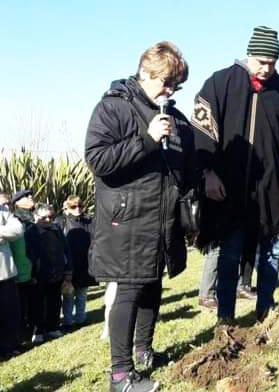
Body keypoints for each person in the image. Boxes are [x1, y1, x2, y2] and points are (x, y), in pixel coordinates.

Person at [85, 41, 194, 392]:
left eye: (176, 86)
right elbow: (98, 161)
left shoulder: (173, 116)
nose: (170, 91)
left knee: (152, 284)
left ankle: (145, 353)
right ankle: (120, 375)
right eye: (165, 83)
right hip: (128, 218)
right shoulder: (113, 108)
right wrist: (146, 140)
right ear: (145, 73)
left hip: (161, 217)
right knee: (130, 289)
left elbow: (181, 164)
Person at [191, 26, 279, 323]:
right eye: (261, 61)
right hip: (228, 189)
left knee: (271, 252)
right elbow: (203, 131)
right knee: (230, 255)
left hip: (271, 190)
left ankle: (266, 311)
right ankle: (225, 318)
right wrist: (208, 173)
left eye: (272, 63)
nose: (266, 68)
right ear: (249, 55)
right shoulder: (221, 83)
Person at [25, 203, 71, 344]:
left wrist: (68, 271)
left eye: (51, 217)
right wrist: (32, 273)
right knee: (37, 303)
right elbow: (28, 254)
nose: (48, 220)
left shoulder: (57, 229)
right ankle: (38, 331)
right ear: (36, 217)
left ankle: (53, 327)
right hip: (39, 273)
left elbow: (66, 250)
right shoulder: (30, 232)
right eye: (44, 218)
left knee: (55, 301)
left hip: (56, 271)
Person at [56, 196, 98, 332]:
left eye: (80, 206)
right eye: (74, 206)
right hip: (69, 263)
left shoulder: (89, 221)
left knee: (82, 293)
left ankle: (81, 318)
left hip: (85, 262)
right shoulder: (62, 221)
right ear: (67, 207)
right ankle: (67, 321)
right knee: (68, 294)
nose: (78, 209)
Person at [0, 195, 24, 359]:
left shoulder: (3, 211)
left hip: (5, 273)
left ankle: (11, 346)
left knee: (10, 312)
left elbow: (17, 229)